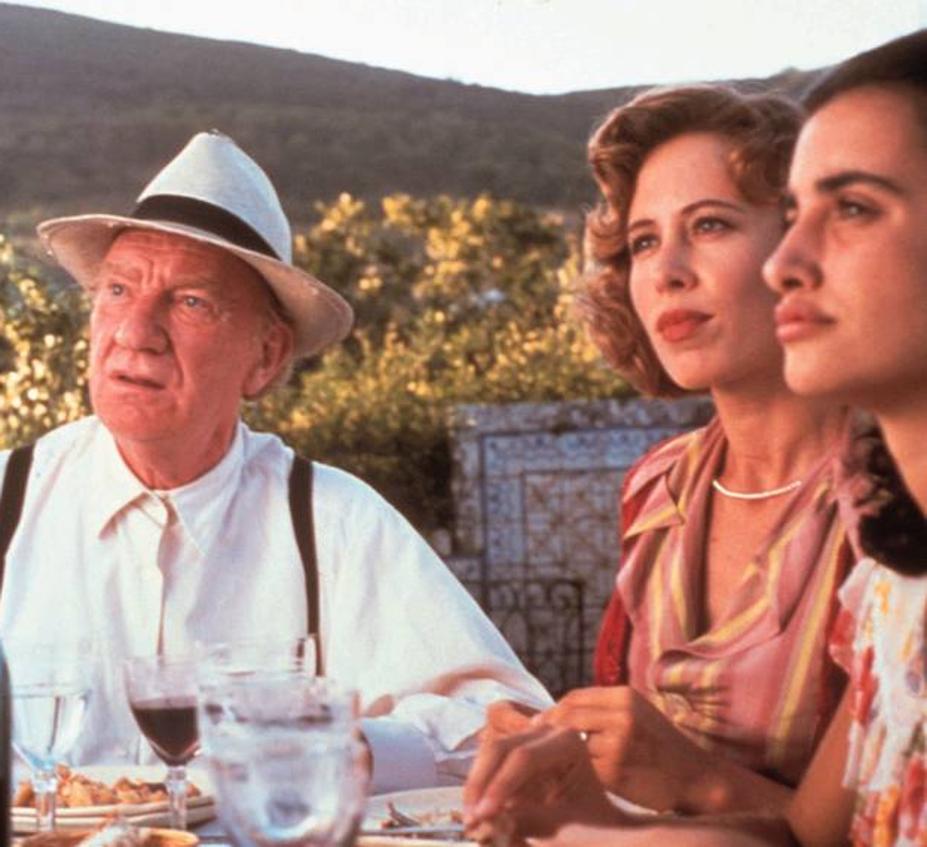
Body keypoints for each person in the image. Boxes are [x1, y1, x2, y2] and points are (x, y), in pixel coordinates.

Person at [465, 27, 927, 847]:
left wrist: (689, 777)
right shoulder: (657, 490)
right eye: (642, 241)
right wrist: (571, 809)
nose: (667, 268)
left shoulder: (888, 518)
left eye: (710, 225)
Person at [0, 131, 550, 793]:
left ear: (264, 356)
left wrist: (354, 749)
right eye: (117, 291)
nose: (135, 331)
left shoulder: (331, 522)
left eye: (190, 302)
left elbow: (513, 724)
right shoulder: (12, 496)